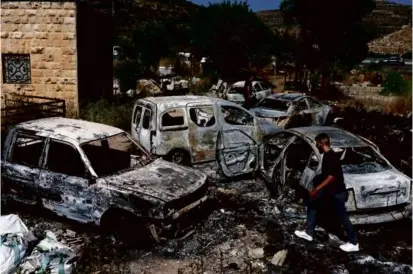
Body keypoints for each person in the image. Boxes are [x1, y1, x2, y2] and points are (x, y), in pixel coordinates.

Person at [294, 133, 359, 252]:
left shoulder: (331, 157)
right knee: (313, 204)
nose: (316, 146)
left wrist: (317, 189)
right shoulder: (327, 156)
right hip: (330, 192)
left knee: (343, 217)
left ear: (322, 143)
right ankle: (309, 233)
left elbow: (331, 177)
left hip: (337, 193)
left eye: (317, 144)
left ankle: (354, 243)